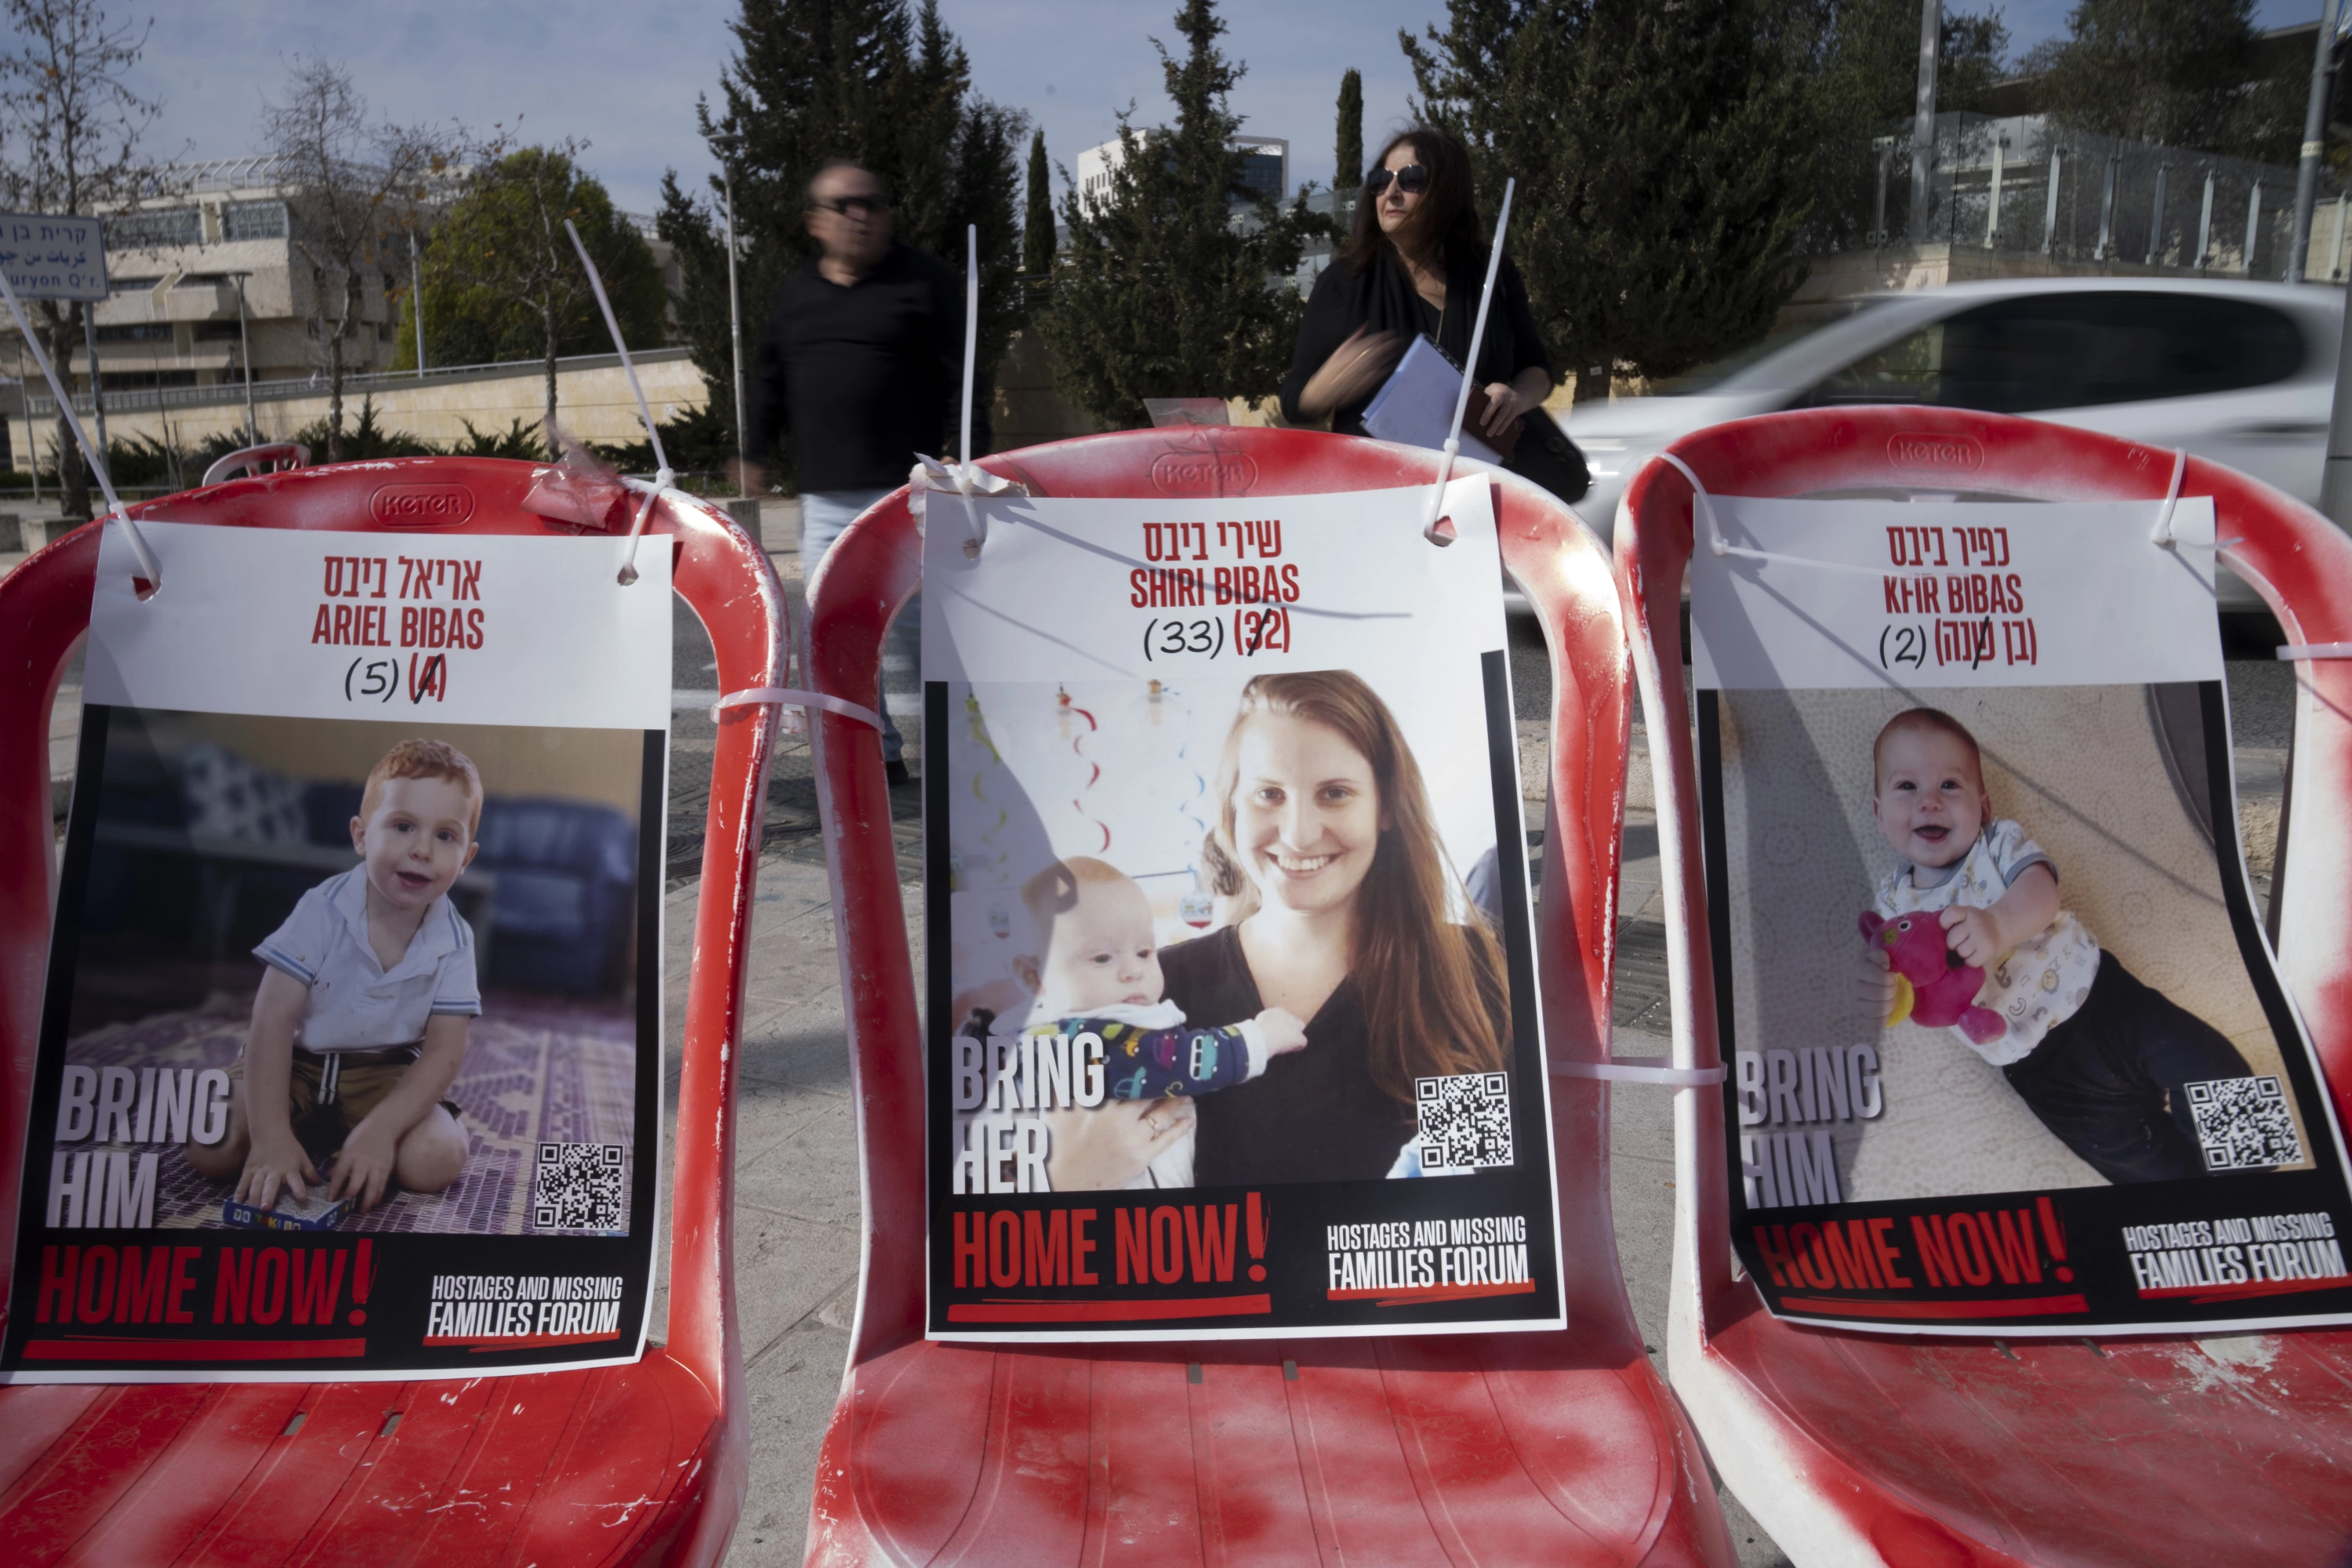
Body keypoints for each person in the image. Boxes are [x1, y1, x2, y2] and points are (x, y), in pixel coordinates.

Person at [1051, 671, 1513, 1189]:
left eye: (1335, 793)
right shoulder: (1154, 992)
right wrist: (1067, 1180)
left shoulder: (1462, 973)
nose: (1297, 833)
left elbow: (1477, 1196)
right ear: (1232, 807)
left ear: (1384, 806)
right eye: (1269, 794)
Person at [1853, 708, 2255, 1183]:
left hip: (2106, 1002)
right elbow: (1890, 979)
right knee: (2145, 1170)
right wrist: (1878, 996)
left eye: (1949, 786)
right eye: (1907, 787)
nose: (1929, 803)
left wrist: (1998, 925)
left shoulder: (1997, 844)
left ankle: (2258, 1183)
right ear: (1879, 814)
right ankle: (2203, 1214)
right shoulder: (1891, 907)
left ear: (1982, 807)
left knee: (2223, 1076)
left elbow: (2042, 893)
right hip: (2044, 1071)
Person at [732, 161, 983, 786]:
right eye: (847, 205)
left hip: (913, 496)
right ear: (816, 221)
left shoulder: (924, 282)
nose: (863, 214)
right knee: (838, 637)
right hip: (827, 503)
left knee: (929, 639)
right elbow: (769, 376)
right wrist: (754, 450)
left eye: (873, 202)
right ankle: (878, 754)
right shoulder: (796, 296)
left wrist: (972, 450)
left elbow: (965, 373)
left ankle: (958, 764)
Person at [186, 739, 481, 1213]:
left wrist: (381, 1132)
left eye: (446, 836)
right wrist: (270, 1137)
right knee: (209, 1143)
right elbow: (272, 1021)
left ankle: (354, 1132)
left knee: (435, 1160)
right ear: (361, 836)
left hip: (384, 1073)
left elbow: (446, 1049)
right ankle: (287, 1125)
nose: (422, 850)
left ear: (466, 859)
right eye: (403, 826)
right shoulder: (320, 910)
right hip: (295, 1064)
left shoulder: (456, 939)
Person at [1280, 127, 1582, 500]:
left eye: (1410, 179)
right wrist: (1321, 391)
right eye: (1379, 181)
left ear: (1447, 190)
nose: (1389, 193)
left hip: (1479, 501)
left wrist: (1516, 397)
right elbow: (1293, 402)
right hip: (1378, 503)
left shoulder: (1493, 273)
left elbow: (1537, 368)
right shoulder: (1344, 282)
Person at [1005, 856, 1307, 1191]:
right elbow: (1169, 1060)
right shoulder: (1073, 1037)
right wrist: (1259, 1038)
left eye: (1144, 952)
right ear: (1035, 977)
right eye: (1102, 958)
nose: (1132, 971)